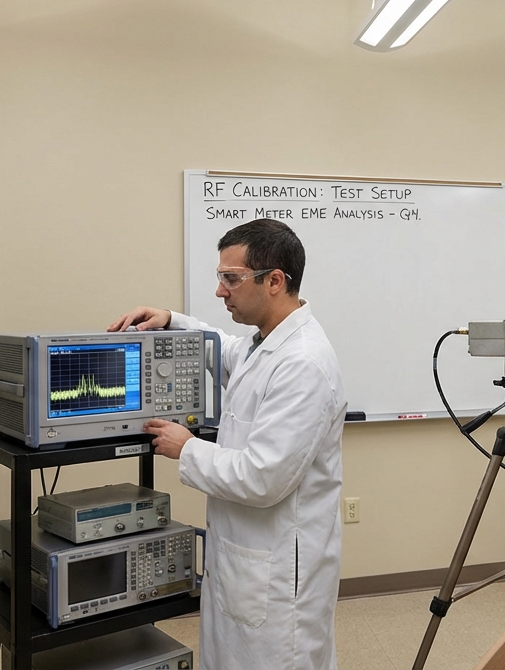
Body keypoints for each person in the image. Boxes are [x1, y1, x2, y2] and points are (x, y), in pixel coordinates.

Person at [109, 219, 346, 670]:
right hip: (247, 557)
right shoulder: (265, 345)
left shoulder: (303, 364)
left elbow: (263, 478)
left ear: (275, 281)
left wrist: (188, 447)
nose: (221, 291)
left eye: (230, 279)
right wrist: (172, 320)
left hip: (276, 572)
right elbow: (225, 349)